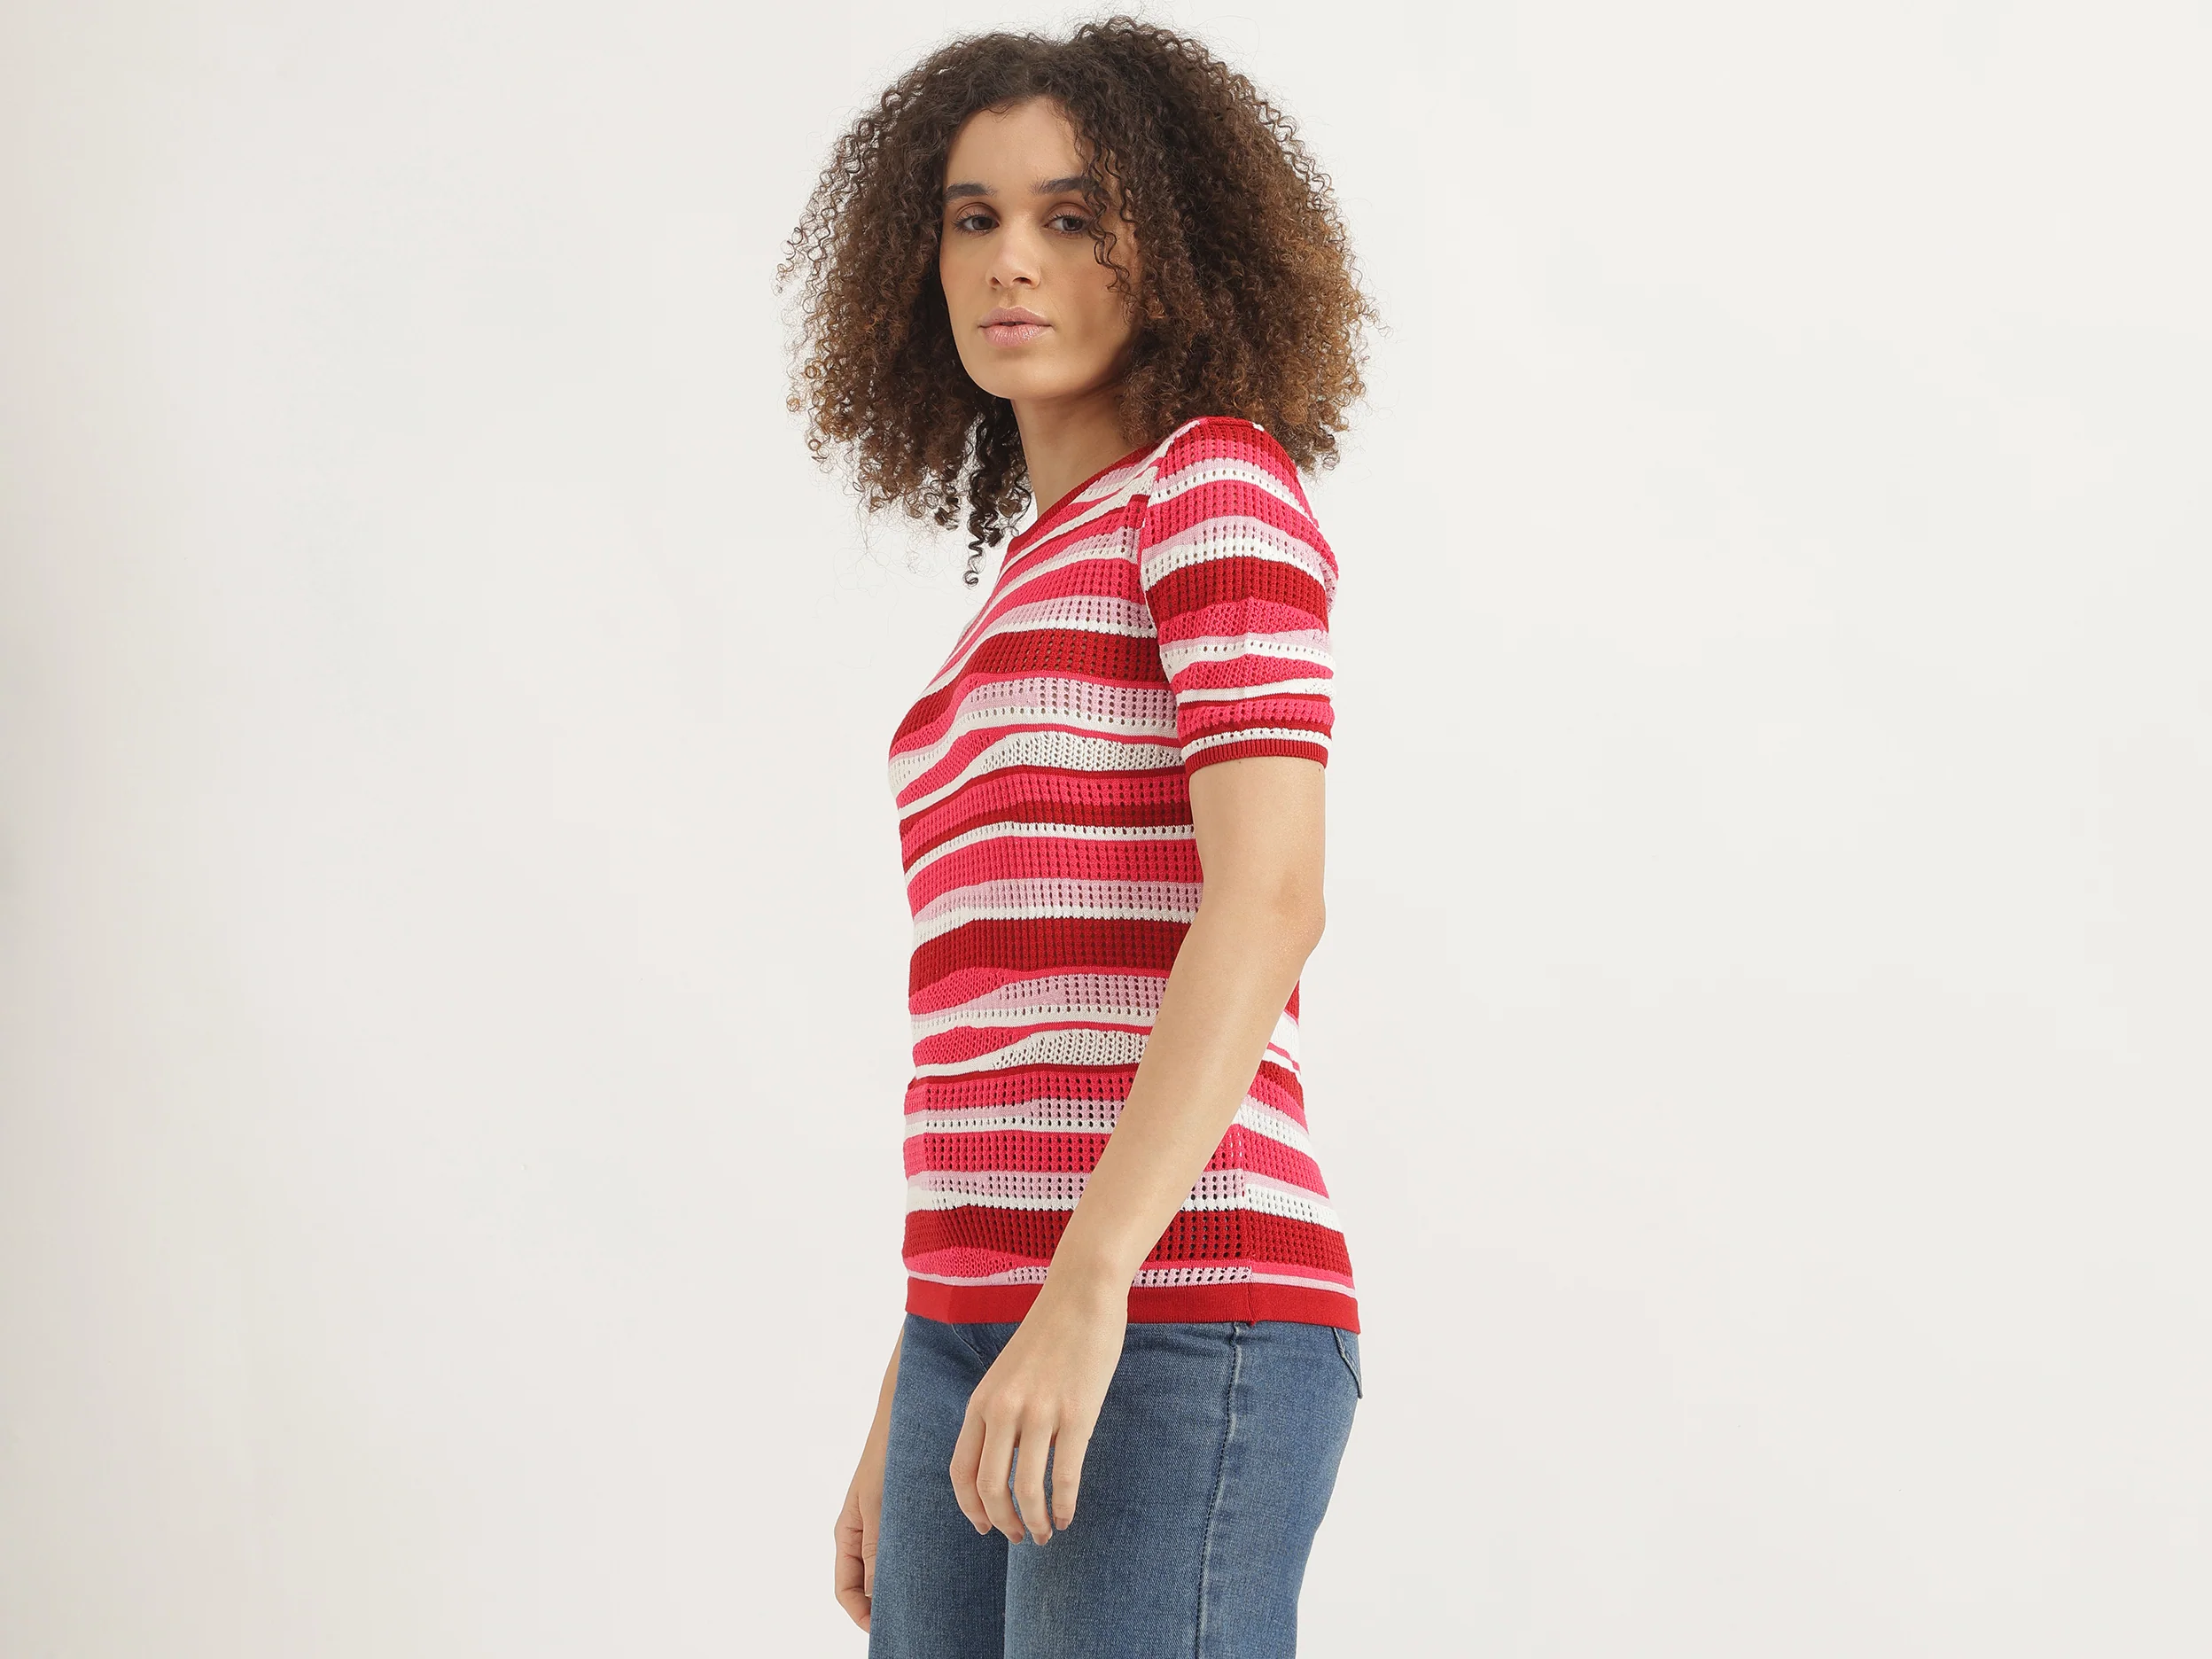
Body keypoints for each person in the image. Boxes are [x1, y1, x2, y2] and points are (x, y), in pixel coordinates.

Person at [778, 17, 1375, 1656]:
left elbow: (1270, 898)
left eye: (1071, 215)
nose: (1010, 260)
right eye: (973, 217)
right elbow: (1014, 1026)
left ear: (1171, 245)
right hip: (981, 1324)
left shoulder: (1214, 488)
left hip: (1173, 1310)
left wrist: (1087, 1285)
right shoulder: (1024, 582)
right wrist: (915, 1378)